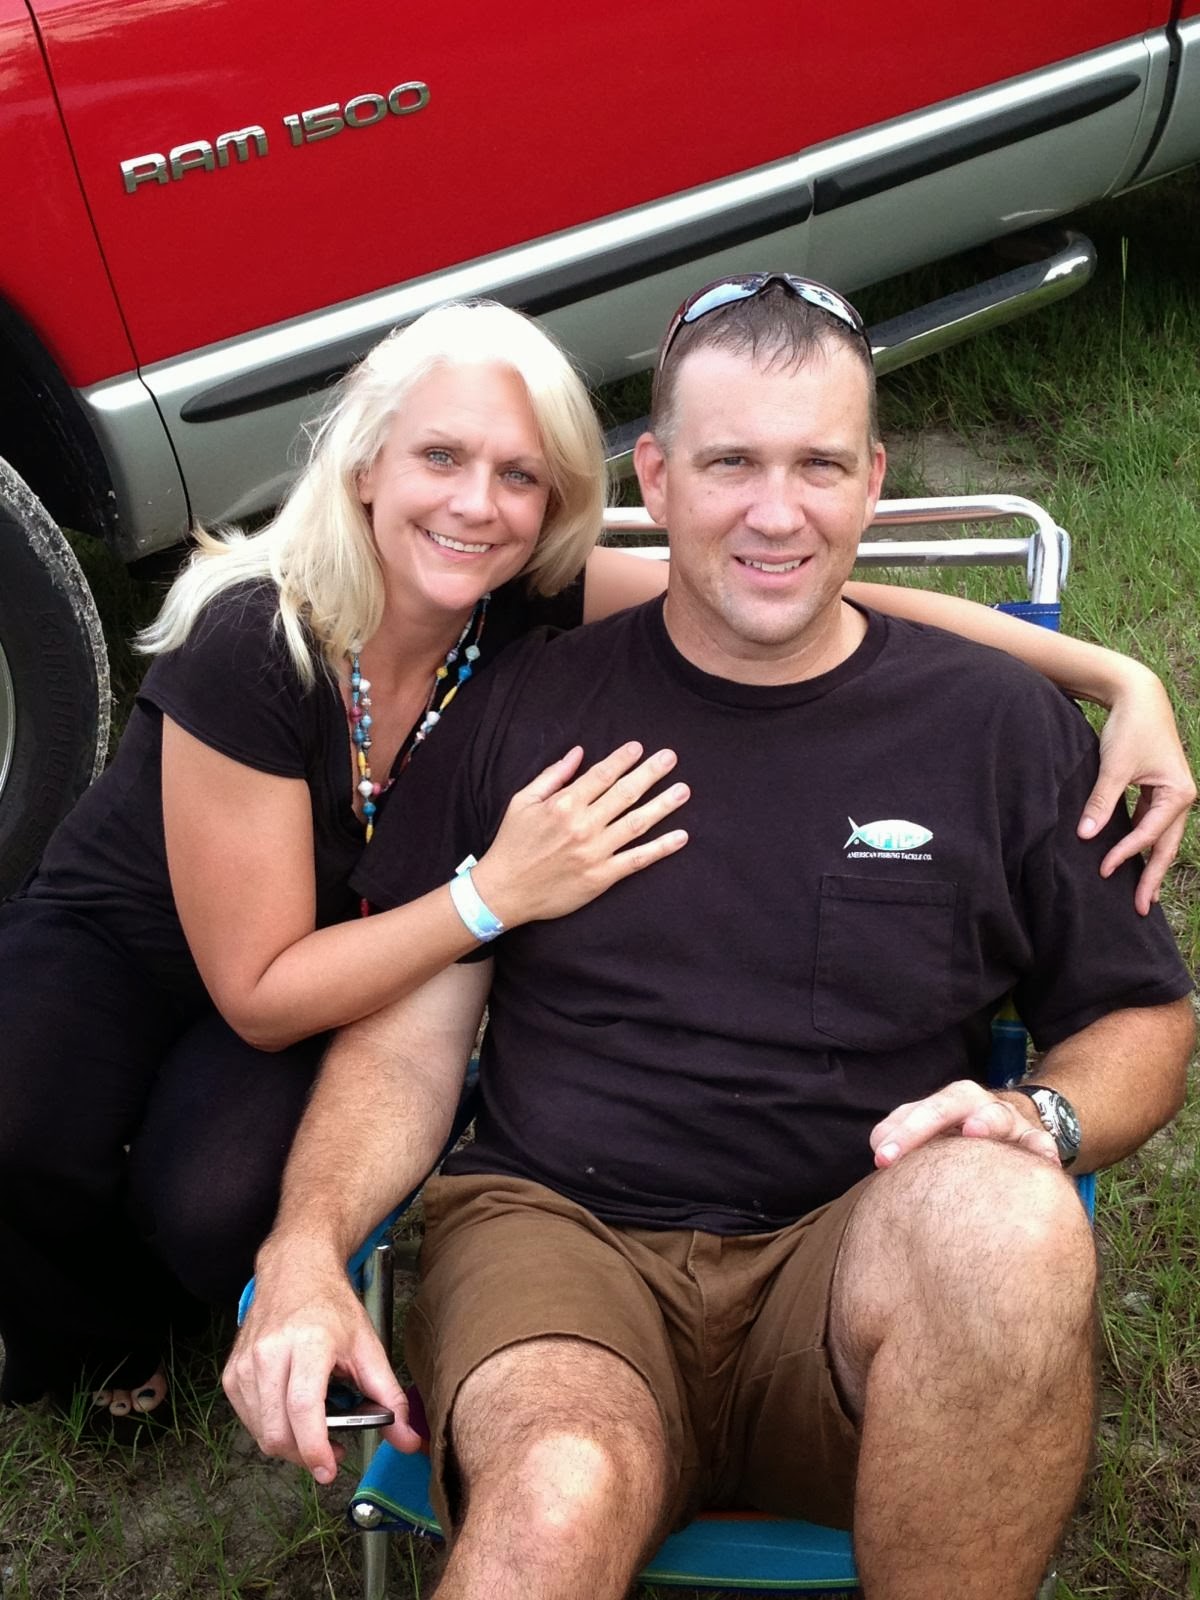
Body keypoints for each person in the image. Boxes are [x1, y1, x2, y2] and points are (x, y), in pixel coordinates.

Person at [0, 300, 1187, 1424]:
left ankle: (176, 1283)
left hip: (356, 938)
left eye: (519, 476)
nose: (476, 504)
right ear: (365, 465)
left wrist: (1112, 675)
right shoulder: (258, 644)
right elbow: (260, 994)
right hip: (150, 937)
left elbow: (804, 592)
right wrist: (491, 895)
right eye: (440, 458)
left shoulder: (519, 595)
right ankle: (92, 1342)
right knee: (25, 1126)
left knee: (207, 1199)